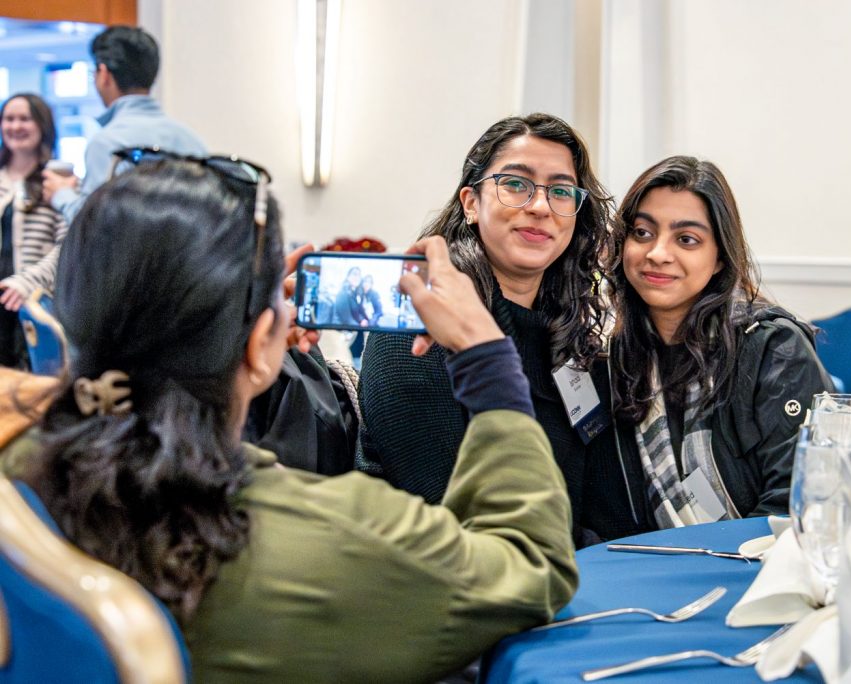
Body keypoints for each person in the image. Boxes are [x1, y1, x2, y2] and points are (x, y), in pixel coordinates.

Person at [0, 158, 576, 682]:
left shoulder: (18, 463)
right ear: (259, 345)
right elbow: (530, 566)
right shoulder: (342, 540)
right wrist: (487, 358)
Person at [357, 113, 642, 547]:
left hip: (559, 570)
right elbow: (451, 515)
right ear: (471, 203)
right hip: (444, 584)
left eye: (561, 191)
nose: (541, 207)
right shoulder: (417, 330)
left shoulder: (567, 336)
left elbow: (594, 501)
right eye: (515, 184)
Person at [606, 156, 833, 527]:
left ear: (719, 260)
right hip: (644, 568)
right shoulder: (613, 357)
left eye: (686, 239)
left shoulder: (773, 350)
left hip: (755, 570)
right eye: (642, 233)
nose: (657, 254)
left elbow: (799, 503)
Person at [42, 26, 205, 224]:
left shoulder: (107, 144)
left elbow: (95, 226)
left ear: (103, 74)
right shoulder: (191, 141)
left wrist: (62, 195)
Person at [0, 93, 67, 368]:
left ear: (43, 126)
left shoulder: (60, 183)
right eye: (9, 119)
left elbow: (68, 247)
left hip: (33, 307)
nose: (16, 126)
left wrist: (28, 281)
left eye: (24, 119)